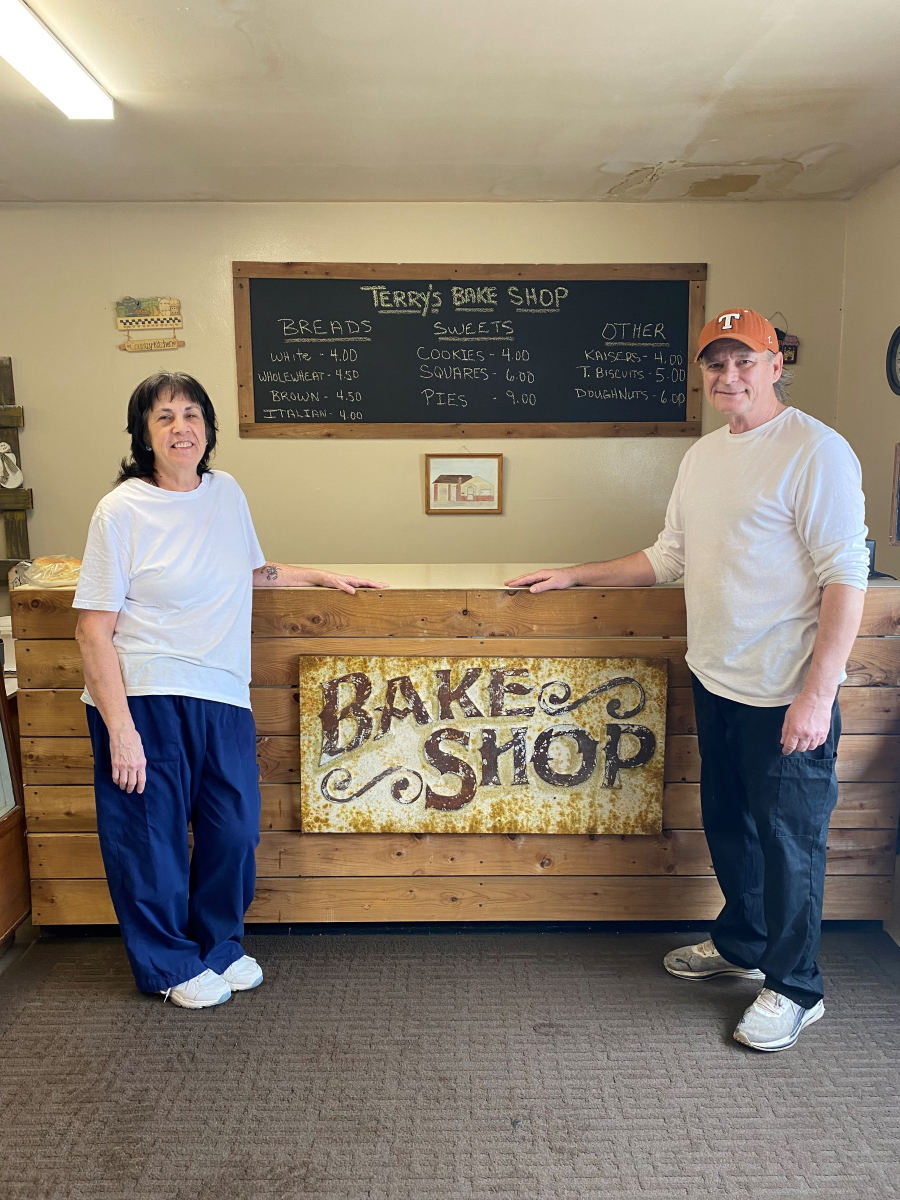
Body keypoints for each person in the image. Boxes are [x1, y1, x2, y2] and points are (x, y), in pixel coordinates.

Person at [507, 309, 869, 1052]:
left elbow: (846, 577)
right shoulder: (704, 456)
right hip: (719, 679)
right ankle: (743, 945)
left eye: (745, 361)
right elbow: (667, 556)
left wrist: (818, 693)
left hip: (784, 689)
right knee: (731, 828)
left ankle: (796, 986)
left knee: (789, 841)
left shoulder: (816, 451)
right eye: (715, 364)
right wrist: (576, 574)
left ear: (775, 365)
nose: (728, 376)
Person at [74, 372, 385, 1009]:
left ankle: (219, 947)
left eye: (191, 415)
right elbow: (91, 628)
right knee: (150, 837)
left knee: (234, 831)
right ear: (143, 433)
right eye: (163, 417)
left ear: (209, 430)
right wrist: (121, 731)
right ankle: (166, 964)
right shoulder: (122, 509)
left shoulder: (226, 493)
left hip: (222, 693)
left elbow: (249, 570)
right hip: (146, 695)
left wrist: (319, 575)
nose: (180, 427)